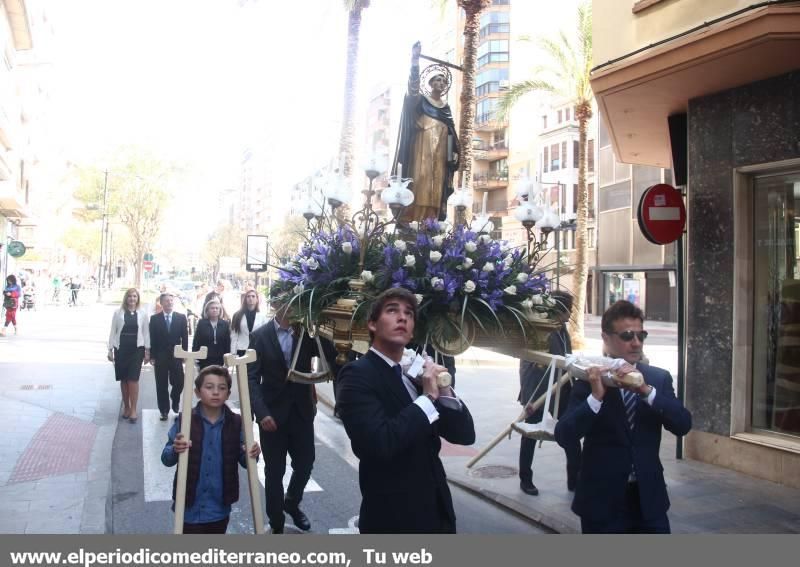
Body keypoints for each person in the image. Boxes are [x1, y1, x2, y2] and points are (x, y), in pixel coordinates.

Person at [336, 288, 475, 533]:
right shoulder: (357, 375)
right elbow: (380, 443)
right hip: (393, 519)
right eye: (392, 311)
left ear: (412, 331)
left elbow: (464, 435)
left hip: (438, 513)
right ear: (372, 324)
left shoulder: (413, 376)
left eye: (409, 314)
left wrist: (443, 390)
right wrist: (428, 397)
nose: (403, 318)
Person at [554, 300, 692, 533]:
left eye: (641, 335)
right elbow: (564, 435)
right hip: (602, 502)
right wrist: (595, 398)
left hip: (648, 499)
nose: (636, 343)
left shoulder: (658, 379)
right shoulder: (588, 380)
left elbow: (683, 424)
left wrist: (647, 393)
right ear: (606, 339)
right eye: (627, 336)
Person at [247, 301, 339, 534]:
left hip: (301, 412)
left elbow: (331, 356)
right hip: (272, 416)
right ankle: (276, 520)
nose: (291, 308)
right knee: (274, 472)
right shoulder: (259, 336)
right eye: (286, 303)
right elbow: (251, 378)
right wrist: (262, 412)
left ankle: (292, 502)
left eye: (295, 303)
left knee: (306, 463)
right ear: (276, 304)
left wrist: (320, 329)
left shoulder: (306, 333)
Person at [161, 365, 261, 534]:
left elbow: (246, 461)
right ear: (197, 392)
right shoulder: (185, 422)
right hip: (189, 507)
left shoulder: (236, 423)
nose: (216, 392)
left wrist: (252, 453)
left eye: (222, 388)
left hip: (219, 509)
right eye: (209, 387)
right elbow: (166, 458)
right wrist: (174, 449)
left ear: (228, 394)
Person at [518, 290, 580, 496]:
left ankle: (575, 479)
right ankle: (525, 479)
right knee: (530, 434)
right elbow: (527, 360)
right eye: (568, 310)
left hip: (561, 387)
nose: (570, 314)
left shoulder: (562, 328)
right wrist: (528, 396)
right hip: (538, 388)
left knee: (570, 431)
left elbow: (566, 356)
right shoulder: (538, 326)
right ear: (558, 309)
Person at [393, 41, 459, 222]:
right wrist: (414, 64)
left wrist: (453, 153)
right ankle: (414, 218)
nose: (441, 82)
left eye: (443, 80)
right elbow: (412, 91)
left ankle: (431, 221)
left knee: (436, 184)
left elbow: (452, 133)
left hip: (441, 150)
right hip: (422, 145)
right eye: (437, 79)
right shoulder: (421, 100)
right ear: (430, 83)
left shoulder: (446, 108)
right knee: (421, 178)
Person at [107, 288, 150, 423]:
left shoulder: (142, 313)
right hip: (121, 349)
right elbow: (113, 331)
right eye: (130, 296)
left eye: (134, 296)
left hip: (137, 349)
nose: (132, 299)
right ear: (126, 298)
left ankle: (133, 410)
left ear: (138, 299)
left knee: (133, 379)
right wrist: (109, 349)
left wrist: (147, 351)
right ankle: (126, 406)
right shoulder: (118, 313)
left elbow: (146, 333)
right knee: (124, 379)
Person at [149, 292, 189, 421]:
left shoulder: (181, 318)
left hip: (176, 355)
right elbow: (152, 338)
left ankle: (175, 399)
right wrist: (152, 356)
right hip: (160, 356)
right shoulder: (155, 319)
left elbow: (185, 337)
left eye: (171, 300)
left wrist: (185, 353)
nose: (169, 302)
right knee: (161, 384)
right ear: (161, 303)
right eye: (166, 300)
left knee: (179, 382)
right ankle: (164, 410)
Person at [192, 297, 231, 370]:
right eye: (212, 308)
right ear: (207, 310)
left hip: (220, 358)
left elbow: (227, 342)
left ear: (220, 310)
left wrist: (228, 357)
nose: (214, 310)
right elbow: (196, 340)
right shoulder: (201, 323)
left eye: (217, 308)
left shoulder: (225, 324)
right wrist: (195, 356)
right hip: (205, 358)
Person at [230, 289, 268, 356]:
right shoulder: (237, 315)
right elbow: (234, 335)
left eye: (253, 296)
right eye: (248, 296)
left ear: (257, 299)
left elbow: (264, 335)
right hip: (241, 349)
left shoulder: (262, 316)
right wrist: (233, 353)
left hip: (256, 350)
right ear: (245, 299)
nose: (251, 298)